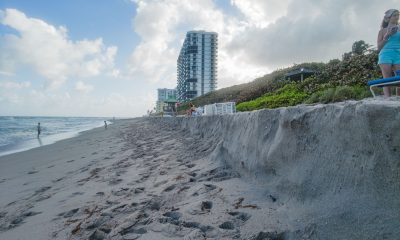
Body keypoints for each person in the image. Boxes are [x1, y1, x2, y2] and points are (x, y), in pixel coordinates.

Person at [377, 9, 400, 97]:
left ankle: (398, 100)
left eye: (398, 15)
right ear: (388, 18)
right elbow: (379, 47)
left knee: (399, 79)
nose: (397, 17)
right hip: (385, 55)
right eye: (394, 15)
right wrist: (387, 35)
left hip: (398, 54)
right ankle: (388, 99)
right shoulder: (382, 31)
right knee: (387, 79)